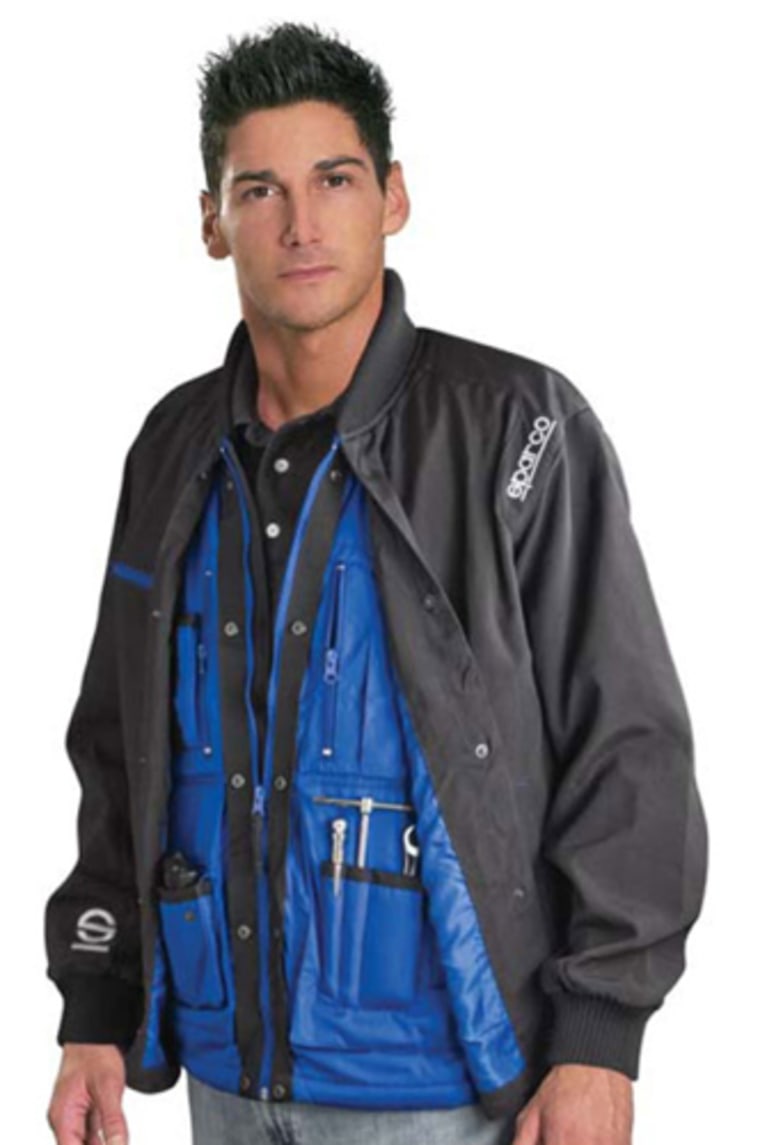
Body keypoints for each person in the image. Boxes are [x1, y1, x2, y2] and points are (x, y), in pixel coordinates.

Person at [44, 20, 708, 1145]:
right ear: (210, 221)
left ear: (393, 197)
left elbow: (628, 739)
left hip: (444, 1090)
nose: (300, 224)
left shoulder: (516, 428)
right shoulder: (172, 446)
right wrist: (96, 1008)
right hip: (224, 1075)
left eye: (335, 180)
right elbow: (119, 743)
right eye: (259, 190)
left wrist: (600, 1035)